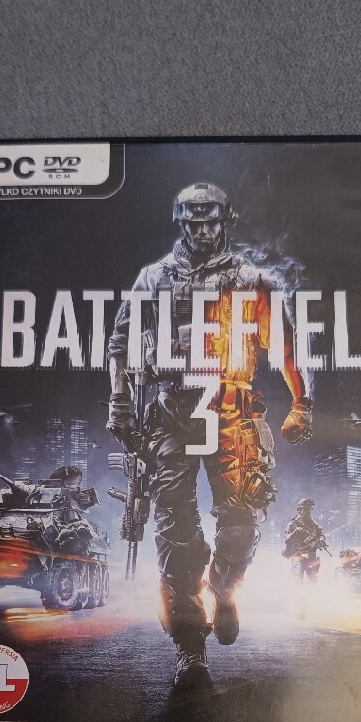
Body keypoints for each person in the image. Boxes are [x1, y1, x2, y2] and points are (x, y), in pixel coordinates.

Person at [107, 182, 311, 688]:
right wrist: (118, 403)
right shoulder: (152, 279)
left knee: (240, 524)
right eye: (194, 222)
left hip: (231, 415)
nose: (202, 231)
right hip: (169, 415)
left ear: (224, 221)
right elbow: (120, 344)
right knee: (175, 532)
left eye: (211, 221)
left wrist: (301, 403)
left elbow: (286, 347)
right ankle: (189, 648)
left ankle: (223, 588)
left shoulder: (251, 280)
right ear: (181, 223)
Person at [282, 499, 326, 584]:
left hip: (311, 555)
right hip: (298, 555)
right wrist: (296, 531)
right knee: (298, 580)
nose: (308, 511)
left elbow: (321, 534)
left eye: (310, 509)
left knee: (312, 580)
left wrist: (321, 540)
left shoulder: (313, 524)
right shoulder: (293, 524)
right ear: (300, 510)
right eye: (305, 509)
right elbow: (286, 539)